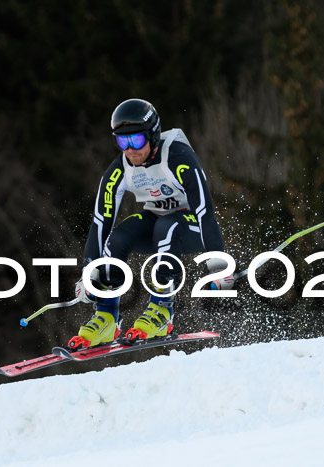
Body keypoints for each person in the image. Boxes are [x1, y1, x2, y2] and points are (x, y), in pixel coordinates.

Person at [70, 98, 233, 349]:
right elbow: (101, 221)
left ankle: (161, 312)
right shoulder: (120, 168)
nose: (130, 149)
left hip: (192, 226)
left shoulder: (178, 157)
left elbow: (205, 212)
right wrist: (89, 273)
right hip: (158, 222)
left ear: (153, 135)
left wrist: (219, 266)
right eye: (122, 141)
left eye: (136, 140)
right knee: (117, 239)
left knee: (166, 227)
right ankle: (106, 318)